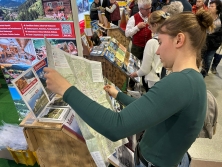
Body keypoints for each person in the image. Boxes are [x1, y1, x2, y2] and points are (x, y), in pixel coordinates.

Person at [43, 10, 213, 167]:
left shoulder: (179, 82)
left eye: (160, 42)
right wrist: (118, 95)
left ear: (179, 40)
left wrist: (66, 89)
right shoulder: (193, 79)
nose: (159, 51)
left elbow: (116, 127)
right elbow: (150, 108)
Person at [130, 10, 170, 92]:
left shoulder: (152, 42)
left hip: (153, 80)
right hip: (164, 78)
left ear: (155, 25)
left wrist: (135, 74)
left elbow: (145, 69)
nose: (149, 29)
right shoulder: (170, 38)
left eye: (150, 26)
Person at [125, 0, 152, 90]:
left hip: (149, 47)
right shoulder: (133, 18)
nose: (149, 10)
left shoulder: (151, 17)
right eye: (147, 9)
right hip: (136, 47)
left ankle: (145, 85)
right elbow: (127, 33)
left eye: (150, 8)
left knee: (147, 65)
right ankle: (131, 85)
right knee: (134, 67)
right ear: (140, 9)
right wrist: (137, 27)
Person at [201, 0, 222, 77]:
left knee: (208, 61)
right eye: (210, 5)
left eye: (212, 6)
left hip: (213, 45)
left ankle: (202, 77)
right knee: (198, 59)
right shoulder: (204, 16)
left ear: (217, 8)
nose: (210, 7)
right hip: (202, 42)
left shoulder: (220, 19)